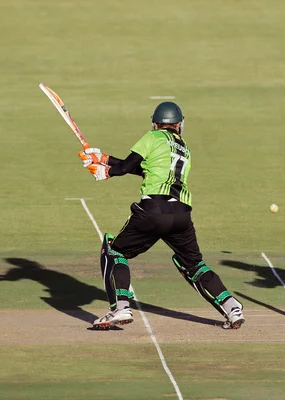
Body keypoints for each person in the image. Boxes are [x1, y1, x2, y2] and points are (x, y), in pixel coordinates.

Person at [78, 101, 245, 330]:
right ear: (179, 124)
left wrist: (106, 171)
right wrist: (104, 159)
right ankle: (231, 307)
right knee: (194, 264)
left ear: (156, 123)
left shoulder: (152, 137)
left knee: (114, 251)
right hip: (181, 215)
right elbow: (145, 168)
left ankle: (121, 307)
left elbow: (127, 167)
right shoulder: (184, 147)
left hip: (153, 211)